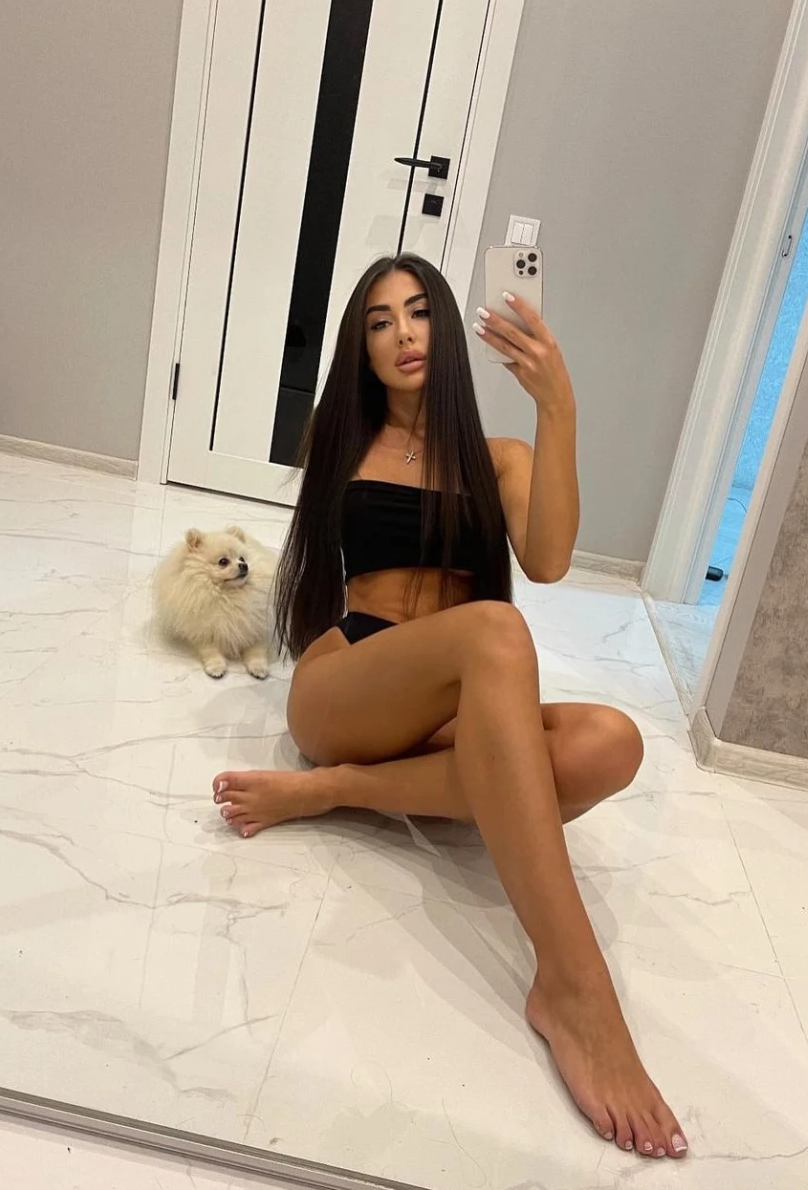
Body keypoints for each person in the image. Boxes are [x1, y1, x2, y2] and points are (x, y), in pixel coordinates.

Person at [212, 253, 688, 1160]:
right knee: (495, 630)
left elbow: (547, 559)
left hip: (450, 709)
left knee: (611, 743)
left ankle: (340, 791)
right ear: (362, 349)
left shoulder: (499, 460)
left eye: (419, 312)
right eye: (379, 321)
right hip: (352, 683)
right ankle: (574, 988)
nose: (402, 333)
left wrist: (557, 408)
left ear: (444, 330)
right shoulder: (343, 441)